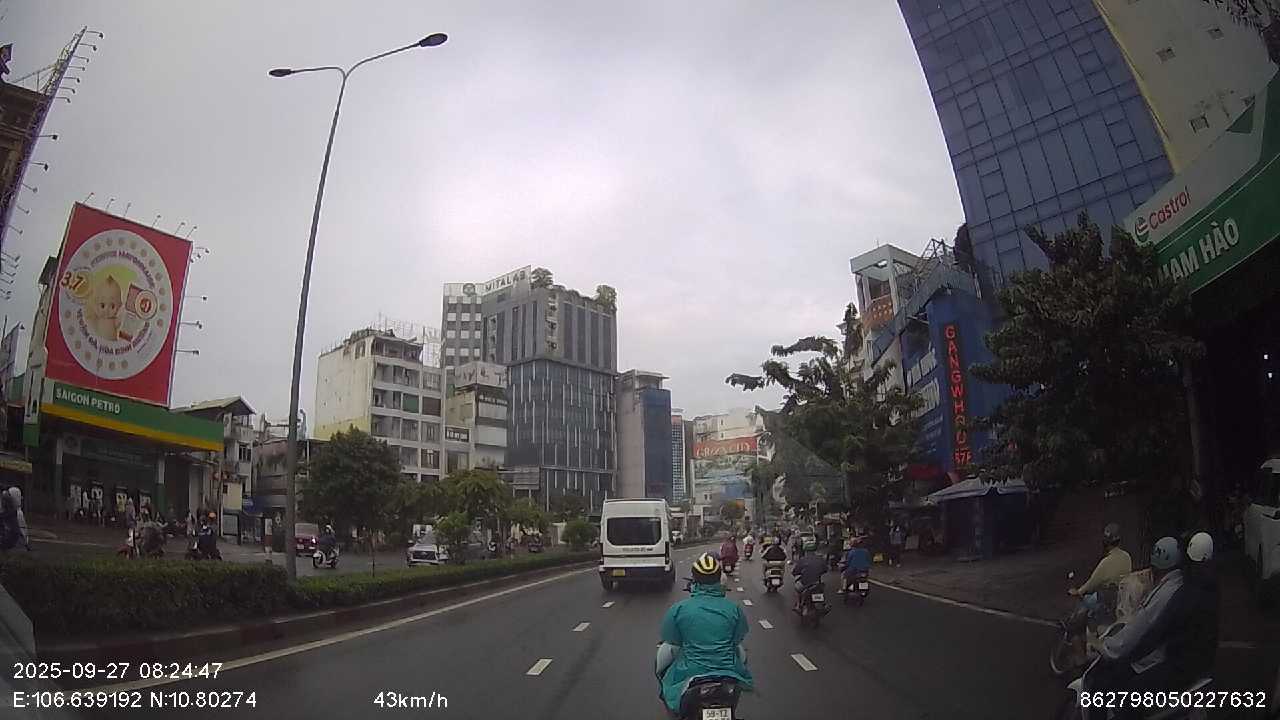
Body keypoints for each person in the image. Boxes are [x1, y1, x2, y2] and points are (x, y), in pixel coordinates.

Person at [1083, 537, 1187, 720]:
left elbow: (1134, 632)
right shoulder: (1179, 584)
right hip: (1171, 654)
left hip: (1153, 659)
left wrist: (1105, 647)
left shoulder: (1162, 594)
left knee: (1101, 684)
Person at [656, 552, 753, 716]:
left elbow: (672, 640)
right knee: (741, 654)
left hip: (690, 673)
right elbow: (737, 638)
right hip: (728, 673)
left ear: (694, 578)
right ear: (719, 578)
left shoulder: (679, 609)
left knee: (661, 665)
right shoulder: (734, 609)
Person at [1070, 522, 1133, 601]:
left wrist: (1079, 592)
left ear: (1105, 543)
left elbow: (1092, 583)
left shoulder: (1105, 562)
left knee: (1085, 601)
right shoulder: (1127, 556)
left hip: (1108, 600)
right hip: (1124, 597)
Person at [791, 537, 826, 611]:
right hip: (817, 583)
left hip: (805, 583)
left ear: (805, 550)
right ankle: (823, 604)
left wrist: (795, 573)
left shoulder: (803, 560)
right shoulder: (820, 559)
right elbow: (825, 569)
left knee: (797, 588)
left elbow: (795, 571)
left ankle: (798, 605)